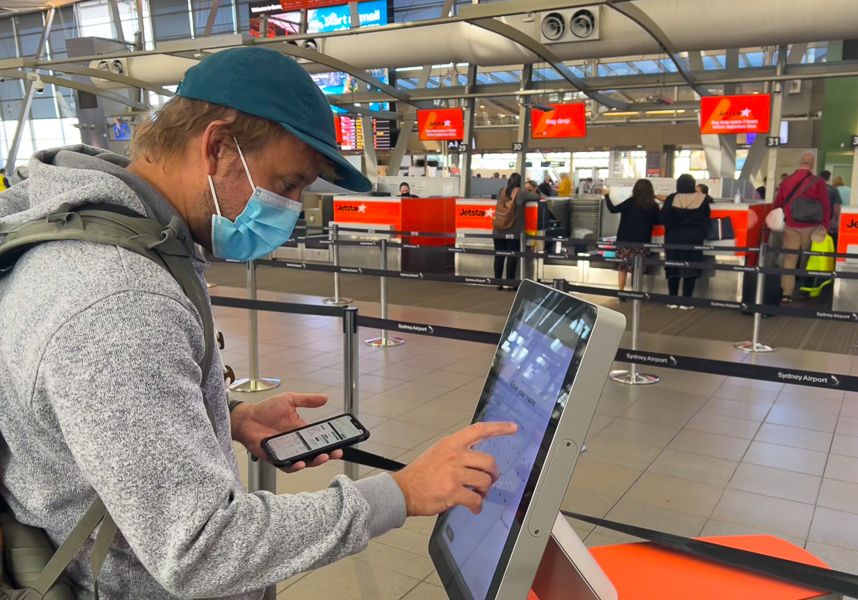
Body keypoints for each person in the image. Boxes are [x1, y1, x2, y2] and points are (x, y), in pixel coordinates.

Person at [0, 47, 516, 599]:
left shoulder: (117, 236)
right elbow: (199, 547)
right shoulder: (118, 299)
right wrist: (401, 493)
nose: (290, 210)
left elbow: (96, 420)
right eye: (287, 183)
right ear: (218, 147)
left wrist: (227, 416)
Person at [773, 152, 831, 303]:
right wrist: (824, 226)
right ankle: (806, 290)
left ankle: (786, 294)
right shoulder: (817, 182)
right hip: (811, 226)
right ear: (812, 165)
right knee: (809, 258)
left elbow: (778, 202)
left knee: (789, 259)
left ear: (799, 163)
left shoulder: (787, 181)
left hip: (791, 225)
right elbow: (826, 206)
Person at [660, 174, 711, 310]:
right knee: (690, 267)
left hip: (673, 237)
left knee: (673, 266)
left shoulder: (672, 198)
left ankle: (672, 299)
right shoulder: (702, 198)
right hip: (693, 237)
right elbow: (706, 217)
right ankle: (686, 301)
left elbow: (663, 218)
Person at [604, 179, 660, 293]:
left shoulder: (630, 202)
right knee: (637, 268)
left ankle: (621, 291)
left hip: (624, 240)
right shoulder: (653, 205)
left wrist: (606, 196)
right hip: (642, 241)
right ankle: (635, 293)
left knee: (622, 267)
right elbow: (658, 221)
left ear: (635, 189)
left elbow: (613, 209)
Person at [492, 172, 538, 289]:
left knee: (499, 257)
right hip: (513, 231)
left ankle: (498, 283)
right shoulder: (522, 193)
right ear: (520, 182)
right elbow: (537, 197)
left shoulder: (501, 190)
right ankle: (510, 284)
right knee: (511, 257)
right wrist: (531, 189)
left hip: (498, 229)